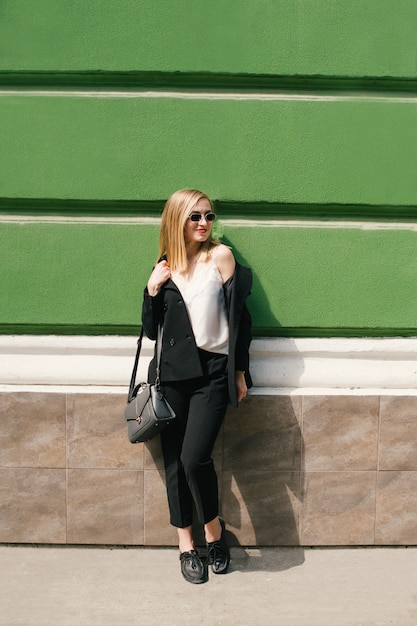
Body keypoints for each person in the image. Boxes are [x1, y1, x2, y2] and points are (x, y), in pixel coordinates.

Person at [141, 188, 252, 584]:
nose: (204, 223)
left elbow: (241, 321)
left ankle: (214, 532)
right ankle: (186, 547)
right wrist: (152, 289)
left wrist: (239, 372)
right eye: (195, 217)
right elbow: (151, 330)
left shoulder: (220, 258)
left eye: (208, 216)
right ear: (177, 220)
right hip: (172, 377)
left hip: (211, 375)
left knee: (194, 458)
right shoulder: (165, 265)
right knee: (175, 463)